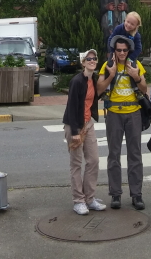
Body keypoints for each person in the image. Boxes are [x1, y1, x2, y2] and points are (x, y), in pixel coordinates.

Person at [97, 35, 147, 210]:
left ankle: (136, 195)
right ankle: (116, 194)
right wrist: (110, 76)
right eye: (119, 50)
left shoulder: (136, 65)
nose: (122, 53)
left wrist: (137, 76)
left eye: (125, 50)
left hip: (133, 113)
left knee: (135, 155)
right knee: (114, 155)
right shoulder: (107, 66)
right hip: (114, 114)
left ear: (129, 51)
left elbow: (144, 89)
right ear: (114, 51)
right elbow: (99, 89)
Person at [63, 49, 106, 215]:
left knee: (93, 160)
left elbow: (94, 98)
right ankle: (78, 201)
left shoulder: (92, 79)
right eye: (89, 59)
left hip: (88, 125)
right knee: (76, 164)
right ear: (83, 62)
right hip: (74, 125)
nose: (92, 61)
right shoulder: (77, 81)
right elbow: (72, 106)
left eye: (94, 58)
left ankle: (90, 198)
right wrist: (74, 130)